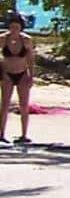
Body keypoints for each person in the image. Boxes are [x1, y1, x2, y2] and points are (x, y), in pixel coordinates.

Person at [1, 10, 35, 145]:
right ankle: (1, 133)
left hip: (22, 74)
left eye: (17, 26)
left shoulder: (26, 40)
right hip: (7, 74)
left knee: (24, 105)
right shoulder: (3, 38)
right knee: (4, 105)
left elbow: (31, 58)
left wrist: (31, 75)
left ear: (21, 27)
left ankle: (24, 134)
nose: (14, 29)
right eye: (12, 26)